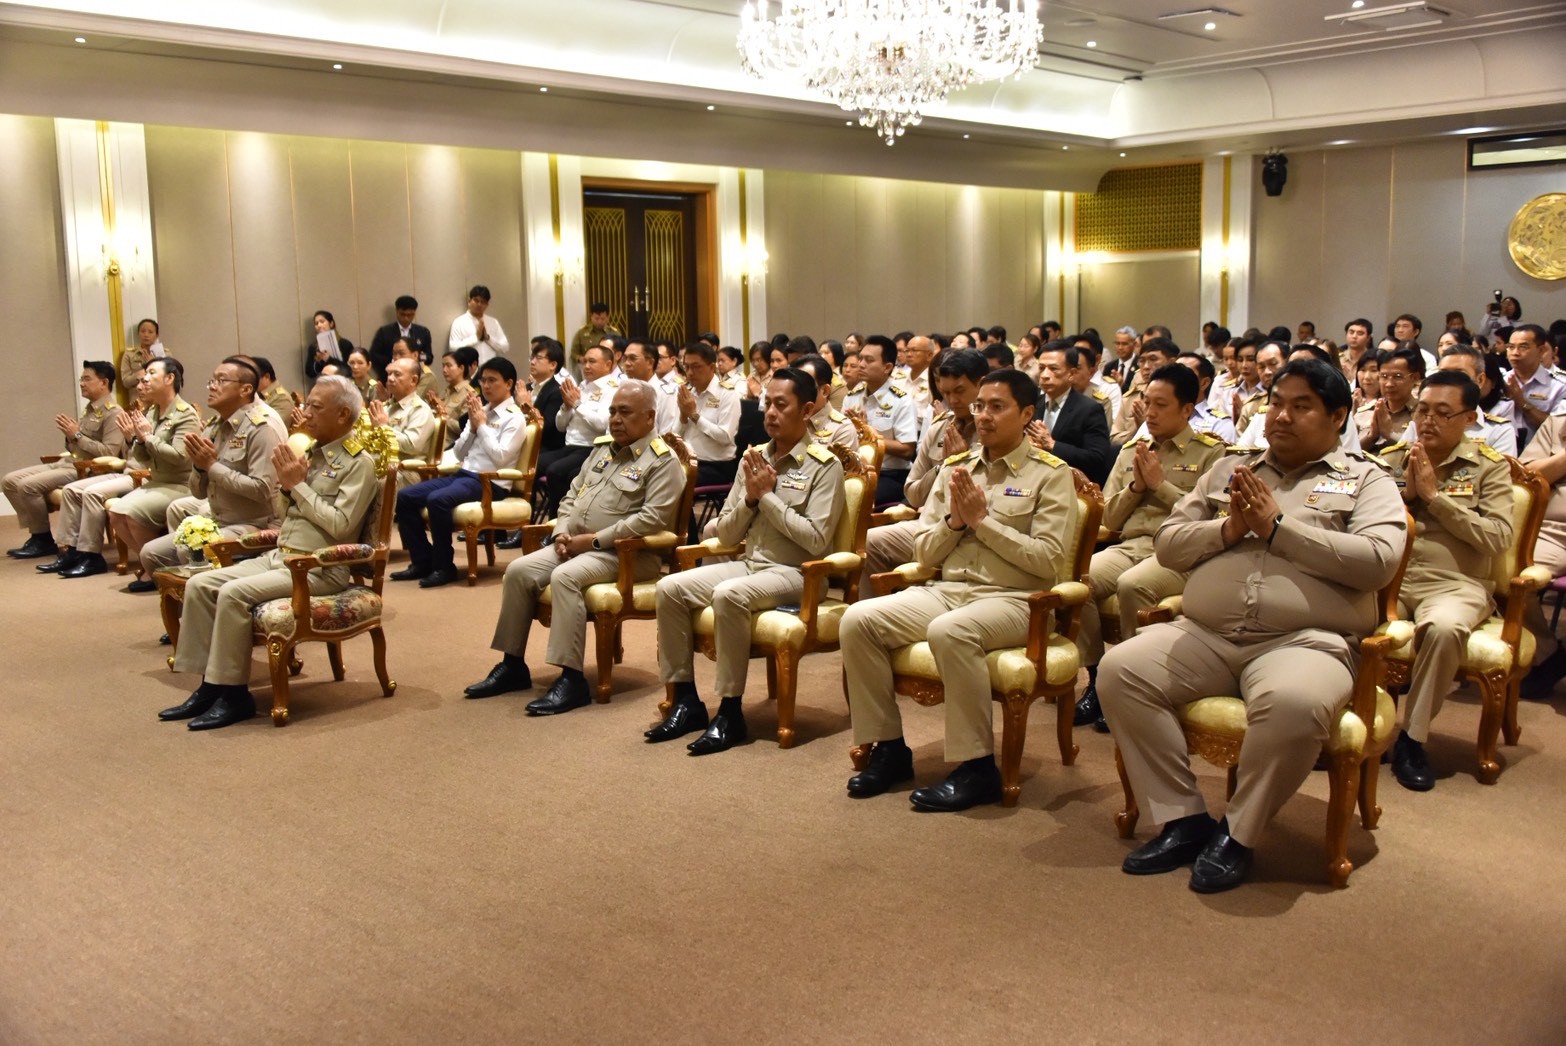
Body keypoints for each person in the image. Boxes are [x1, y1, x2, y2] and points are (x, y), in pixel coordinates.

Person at [1099, 358, 1405, 893]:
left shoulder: (1365, 479)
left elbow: (1378, 561)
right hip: (1205, 633)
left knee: (1294, 703)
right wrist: (1228, 529)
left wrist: (1278, 529)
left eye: (1301, 406)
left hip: (1306, 642)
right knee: (1120, 669)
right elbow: (1169, 544)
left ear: (1338, 416)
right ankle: (1183, 818)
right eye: (1276, 403)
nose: (1281, 416)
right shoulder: (1229, 470)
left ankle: (1238, 834)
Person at [840, 369, 1077, 810]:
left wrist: (982, 523)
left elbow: (1048, 560)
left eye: (997, 407)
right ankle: (889, 749)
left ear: (1027, 413)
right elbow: (924, 552)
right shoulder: (955, 468)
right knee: (859, 619)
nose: (983, 415)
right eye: (980, 406)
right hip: (947, 590)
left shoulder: (1050, 474)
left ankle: (977, 767)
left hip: (1014, 599)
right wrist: (953, 521)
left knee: (951, 630)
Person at [646, 367, 845, 754]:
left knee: (729, 594)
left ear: (806, 410)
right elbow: (727, 535)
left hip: (798, 574)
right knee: (669, 588)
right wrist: (751, 498)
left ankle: (730, 711)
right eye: (767, 404)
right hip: (752, 564)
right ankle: (685, 700)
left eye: (781, 405)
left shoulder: (824, 466)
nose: (770, 412)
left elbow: (817, 540)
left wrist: (767, 498)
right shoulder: (752, 459)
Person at [160, 375, 377, 731]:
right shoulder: (309, 453)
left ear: (342, 415)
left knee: (232, 594)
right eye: (307, 404)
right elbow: (287, 515)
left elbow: (340, 526)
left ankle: (234, 696)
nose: (305, 413)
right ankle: (210, 686)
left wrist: (297, 485)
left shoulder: (359, 463)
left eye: (315, 407)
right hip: (281, 556)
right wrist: (289, 489)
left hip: (318, 568)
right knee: (201, 585)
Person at [465, 381, 687, 712]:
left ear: (649, 416)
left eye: (625, 412)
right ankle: (512, 666)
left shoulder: (662, 461)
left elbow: (651, 519)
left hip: (627, 554)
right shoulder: (602, 450)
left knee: (565, 577)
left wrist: (594, 540)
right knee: (518, 570)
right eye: (612, 411)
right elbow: (571, 495)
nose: (615, 419)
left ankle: (571, 679)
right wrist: (562, 533)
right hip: (576, 543)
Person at [1378, 371, 1514, 790]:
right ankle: (1355, 726)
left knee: (1443, 628)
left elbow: (1498, 537)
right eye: (1422, 411)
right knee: (1339, 613)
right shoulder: (1390, 460)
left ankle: (1413, 739)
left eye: (1442, 413)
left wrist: (1435, 499)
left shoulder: (1489, 468)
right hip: (1391, 580)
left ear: (1470, 418)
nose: (1428, 421)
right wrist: (1405, 496)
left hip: (1454, 584)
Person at [1074, 364, 1227, 731]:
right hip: (1130, 545)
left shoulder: (1211, 453)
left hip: (1179, 551)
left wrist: (1160, 486)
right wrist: (1137, 488)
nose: (1150, 412)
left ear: (1187, 409)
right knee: (1081, 581)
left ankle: (1133, 683)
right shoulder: (1132, 450)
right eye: (1147, 402)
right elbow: (1109, 517)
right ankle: (1098, 681)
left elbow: (1213, 518)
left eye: (1161, 405)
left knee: (1133, 585)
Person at [43, 358, 200, 580]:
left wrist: (147, 437)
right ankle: (154, 566)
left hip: (179, 484)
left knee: (130, 513)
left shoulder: (185, 413)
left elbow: (180, 456)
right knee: (116, 514)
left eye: (151, 373)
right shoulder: (152, 412)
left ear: (169, 378)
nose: (144, 379)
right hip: (156, 481)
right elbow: (143, 458)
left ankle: (159, 568)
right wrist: (135, 440)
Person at [138, 359, 289, 579]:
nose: (212, 387)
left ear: (245, 389)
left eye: (221, 381)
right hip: (220, 521)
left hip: (257, 524)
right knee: (150, 554)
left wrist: (211, 466)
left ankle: (208, 593)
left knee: (191, 551)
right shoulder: (214, 427)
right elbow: (198, 493)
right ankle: (192, 594)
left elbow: (262, 489)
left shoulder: (262, 428)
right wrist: (200, 468)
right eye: (212, 381)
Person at [392, 357, 527, 588]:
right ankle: (422, 561)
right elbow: (459, 452)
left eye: (492, 380)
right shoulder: (480, 411)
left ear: (509, 384)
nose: (486, 386)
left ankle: (444, 566)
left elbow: (501, 457)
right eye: (483, 380)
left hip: (490, 482)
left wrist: (481, 426)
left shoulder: (514, 417)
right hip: (464, 474)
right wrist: (473, 428)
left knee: (438, 500)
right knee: (405, 497)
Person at [864, 348, 985, 575]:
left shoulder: (993, 429)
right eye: (946, 392)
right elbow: (913, 493)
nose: (952, 400)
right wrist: (943, 466)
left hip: (976, 527)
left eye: (959, 391)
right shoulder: (940, 427)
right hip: (931, 522)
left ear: (982, 384)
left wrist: (961, 464)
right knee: (871, 541)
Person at [4, 361, 127, 559]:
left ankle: (42, 538)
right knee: (9, 481)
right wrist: (71, 437)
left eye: (87, 379)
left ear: (104, 383)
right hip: (68, 461)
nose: (82, 383)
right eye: (81, 379)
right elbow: (75, 444)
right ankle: (37, 527)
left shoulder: (115, 413)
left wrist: (76, 436)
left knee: (27, 486)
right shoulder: (90, 409)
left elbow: (109, 453)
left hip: (87, 469)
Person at [542, 345, 620, 517]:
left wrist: (577, 404)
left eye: (592, 362)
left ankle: (557, 520)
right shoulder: (582, 386)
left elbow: (601, 424)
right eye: (584, 362)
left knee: (556, 471)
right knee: (535, 464)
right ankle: (529, 521)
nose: (586, 366)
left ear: (608, 364)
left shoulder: (612, 389)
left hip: (592, 448)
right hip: (569, 446)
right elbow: (560, 425)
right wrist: (566, 406)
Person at [1027, 342, 1113, 487]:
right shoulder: (1032, 404)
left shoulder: (1089, 409)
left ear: (1071, 374)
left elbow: (1097, 458)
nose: (1045, 375)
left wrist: (1053, 445)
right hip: (1031, 481)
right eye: (1042, 368)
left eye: (1053, 369)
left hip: (1069, 485)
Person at [844, 335, 918, 504]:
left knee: (853, 499)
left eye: (869, 360)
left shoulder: (901, 400)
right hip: (854, 470)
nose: (861, 364)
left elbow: (907, 450)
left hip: (889, 474)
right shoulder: (852, 397)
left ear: (887, 367)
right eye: (860, 358)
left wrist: (869, 434)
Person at [675, 340, 743, 487]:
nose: (690, 372)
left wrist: (694, 415)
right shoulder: (687, 393)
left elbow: (724, 437)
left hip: (716, 466)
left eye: (696, 367)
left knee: (672, 480)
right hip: (687, 461)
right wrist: (683, 416)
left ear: (712, 367)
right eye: (686, 367)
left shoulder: (727, 394)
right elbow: (675, 436)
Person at [1493, 324, 1564, 450]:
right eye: (1511, 347)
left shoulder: (1559, 386)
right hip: (1499, 452)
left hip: (1540, 454)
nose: (1515, 353)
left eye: (1523, 347)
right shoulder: (1498, 382)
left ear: (1541, 350)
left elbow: (1558, 430)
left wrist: (1522, 403)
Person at [368, 357, 438, 482]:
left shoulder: (420, 409)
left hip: (405, 471)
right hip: (383, 464)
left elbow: (412, 446)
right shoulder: (387, 406)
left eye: (397, 374)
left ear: (413, 380)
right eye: (389, 373)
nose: (390, 378)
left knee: (367, 480)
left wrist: (383, 428)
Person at [1357, 345, 1424, 453]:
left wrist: (1389, 435)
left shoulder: (1423, 414)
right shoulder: (1365, 412)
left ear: (1415, 378)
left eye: (1397, 377)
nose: (1389, 384)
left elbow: (1422, 454)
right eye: (1384, 376)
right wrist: (1371, 436)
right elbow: (1348, 452)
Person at [368, 295, 435, 378]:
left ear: (415, 312)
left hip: (416, 377)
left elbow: (429, 357)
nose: (406, 318)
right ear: (397, 311)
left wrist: (419, 356)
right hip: (389, 377)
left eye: (410, 315)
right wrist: (394, 360)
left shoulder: (423, 332)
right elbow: (373, 356)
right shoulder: (384, 332)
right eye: (403, 314)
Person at [447, 285, 510, 364]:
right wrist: (476, 338)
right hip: (469, 368)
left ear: (487, 305)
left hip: (490, 367)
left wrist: (487, 338)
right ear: (469, 301)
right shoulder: (459, 322)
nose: (479, 304)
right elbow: (452, 348)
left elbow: (505, 348)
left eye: (483, 302)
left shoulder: (493, 322)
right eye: (476, 300)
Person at [436, 347, 480, 449]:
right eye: (443, 366)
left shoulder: (470, 394)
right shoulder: (446, 391)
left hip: (450, 447)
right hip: (434, 441)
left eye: (449, 366)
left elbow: (465, 428)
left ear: (461, 368)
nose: (444, 370)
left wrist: (442, 413)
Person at [570, 302, 621, 373]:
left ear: (607, 317)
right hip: (588, 368)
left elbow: (621, 352)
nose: (599, 321)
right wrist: (580, 359)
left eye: (602, 319)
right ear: (591, 317)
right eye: (596, 318)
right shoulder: (582, 333)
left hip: (609, 368)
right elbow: (574, 353)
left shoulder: (614, 333)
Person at [118, 318, 164, 393]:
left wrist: (152, 364)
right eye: (143, 331)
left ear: (156, 335)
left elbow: (170, 379)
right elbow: (125, 382)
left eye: (150, 332)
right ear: (138, 334)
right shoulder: (129, 354)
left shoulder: (164, 354)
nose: (146, 335)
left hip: (159, 396)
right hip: (138, 397)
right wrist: (139, 374)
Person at [304, 310, 352, 379]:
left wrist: (329, 359)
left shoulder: (345, 344)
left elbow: (350, 369)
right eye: (316, 323)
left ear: (331, 324)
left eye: (322, 322)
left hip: (343, 381)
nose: (319, 325)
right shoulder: (313, 347)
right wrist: (319, 362)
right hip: (322, 382)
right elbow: (309, 373)